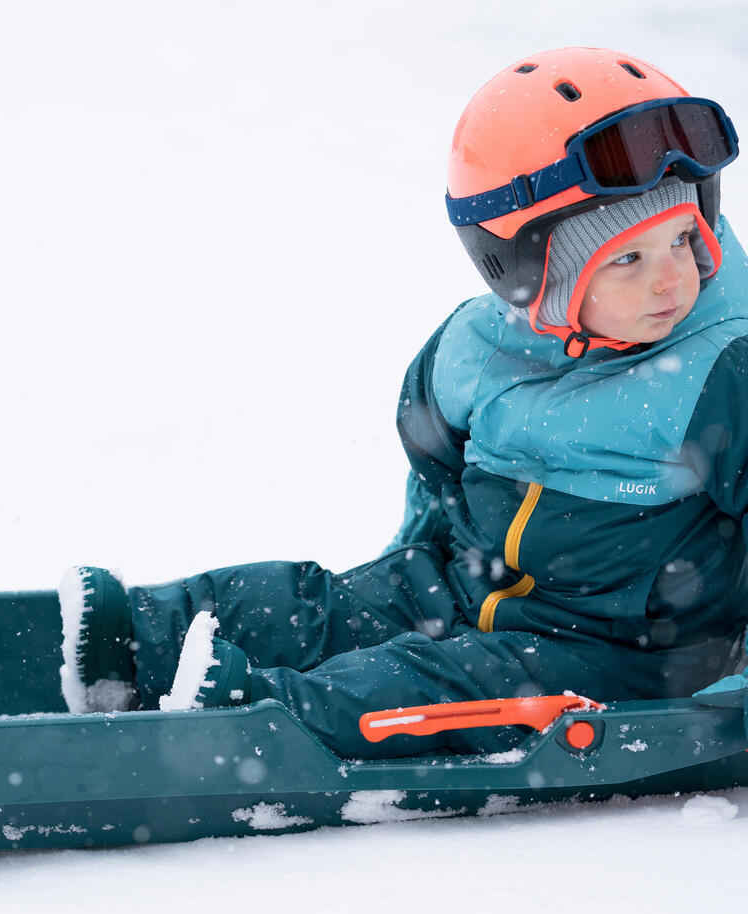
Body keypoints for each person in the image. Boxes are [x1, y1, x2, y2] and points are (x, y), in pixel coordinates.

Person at [59, 47, 748, 760]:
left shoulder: (722, 366)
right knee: (325, 607)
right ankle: (136, 639)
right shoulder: (475, 347)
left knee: (429, 685)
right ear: (533, 274)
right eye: (627, 259)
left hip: (621, 656)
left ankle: (256, 718)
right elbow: (435, 460)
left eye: (683, 239)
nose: (672, 280)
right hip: (468, 583)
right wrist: (416, 564)